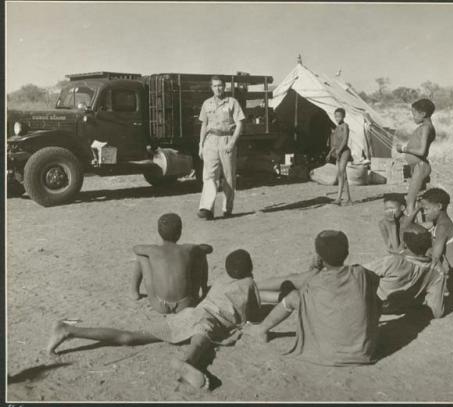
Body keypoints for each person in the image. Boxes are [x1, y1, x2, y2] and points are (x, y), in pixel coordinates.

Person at [48, 249, 261, 390]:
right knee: (201, 339)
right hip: (208, 319)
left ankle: (70, 330)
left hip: (189, 315)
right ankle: (186, 361)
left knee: (131, 336)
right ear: (250, 269)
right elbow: (249, 316)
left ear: (226, 269)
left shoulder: (221, 280)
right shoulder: (250, 284)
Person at [245, 230, 380, 366]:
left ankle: (260, 329)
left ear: (319, 256)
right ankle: (255, 292)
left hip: (328, 353)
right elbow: (374, 282)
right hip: (363, 352)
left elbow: (302, 292)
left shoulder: (316, 280)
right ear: (347, 253)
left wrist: (315, 269)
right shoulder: (361, 273)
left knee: (292, 296)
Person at [131, 213, 212, 314]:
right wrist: (199, 248)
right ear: (179, 233)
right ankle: (204, 291)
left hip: (159, 305)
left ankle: (134, 292)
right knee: (201, 254)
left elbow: (135, 248)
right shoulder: (187, 249)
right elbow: (209, 249)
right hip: (186, 305)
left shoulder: (153, 250)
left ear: (159, 232)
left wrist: (151, 249)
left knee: (141, 255)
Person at [364, 223, 447, 318]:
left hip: (374, 305)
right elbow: (437, 311)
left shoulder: (393, 261)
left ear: (404, 244)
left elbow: (357, 272)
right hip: (399, 307)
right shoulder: (437, 271)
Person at [197, 76, 246, 220]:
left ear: (224, 87)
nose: (218, 88)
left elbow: (240, 124)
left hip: (226, 139)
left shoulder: (232, 102)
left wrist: (232, 143)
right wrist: (201, 145)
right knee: (209, 176)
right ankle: (207, 209)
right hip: (210, 141)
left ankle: (227, 209)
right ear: (211, 88)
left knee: (229, 177)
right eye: (215, 86)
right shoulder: (207, 104)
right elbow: (204, 125)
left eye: (220, 86)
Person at [420, 188, 453, 292]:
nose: (424, 213)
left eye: (426, 209)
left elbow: (435, 258)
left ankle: (440, 287)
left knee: (420, 254)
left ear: (439, 206)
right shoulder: (443, 220)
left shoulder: (443, 227)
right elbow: (419, 227)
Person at [396, 98, 436, 214]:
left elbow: (422, 151)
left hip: (420, 167)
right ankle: (422, 228)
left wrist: (404, 149)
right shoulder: (426, 127)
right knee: (418, 201)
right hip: (417, 166)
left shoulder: (425, 128)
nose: (413, 117)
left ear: (423, 114)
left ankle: (413, 229)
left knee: (410, 201)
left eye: (414, 114)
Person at [326, 108, 353, 206]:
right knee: (342, 176)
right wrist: (330, 153)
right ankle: (345, 198)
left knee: (341, 172)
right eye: (336, 116)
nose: (337, 118)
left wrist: (339, 150)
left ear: (344, 116)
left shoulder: (345, 126)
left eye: (339, 116)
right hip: (338, 153)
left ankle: (340, 198)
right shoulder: (336, 128)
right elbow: (334, 144)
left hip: (345, 152)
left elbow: (345, 140)